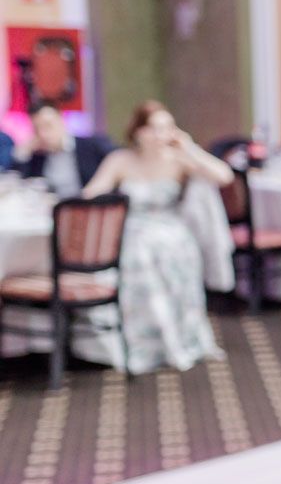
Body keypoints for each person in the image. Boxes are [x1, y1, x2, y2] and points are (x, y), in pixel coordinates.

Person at [83, 100, 231, 373]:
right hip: (131, 230)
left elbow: (224, 176)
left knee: (161, 248)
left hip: (171, 230)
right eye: (154, 128)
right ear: (138, 131)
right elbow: (91, 194)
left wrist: (189, 148)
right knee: (136, 252)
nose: (161, 134)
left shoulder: (179, 160)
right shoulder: (120, 160)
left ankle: (177, 338)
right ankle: (138, 342)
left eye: (167, 128)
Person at [18, 100, 114, 197]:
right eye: (37, 129)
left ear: (61, 120)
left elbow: (117, 157)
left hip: (86, 202)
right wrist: (23, 153)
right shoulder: (37, 158)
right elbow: (23, 184)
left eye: (48, 125)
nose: (43, 134)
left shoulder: (90, 145)